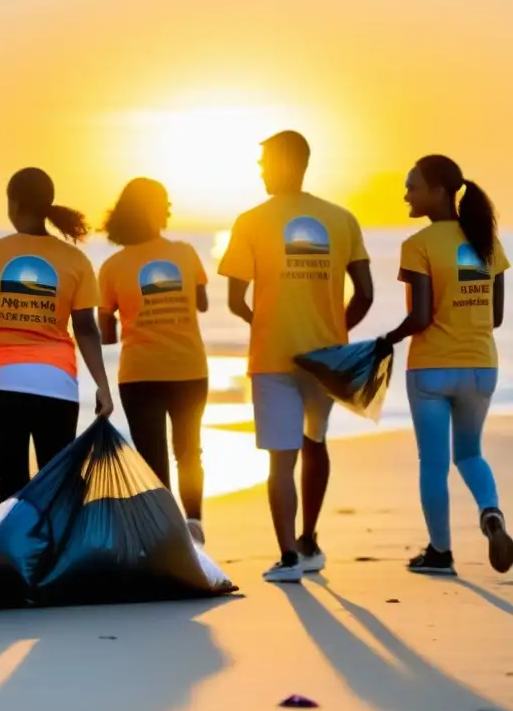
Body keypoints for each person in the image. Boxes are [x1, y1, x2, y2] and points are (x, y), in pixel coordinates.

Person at [218, 130, 374, 583]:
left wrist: (266, 325)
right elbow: (365, 293)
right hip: (326, 360)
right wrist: (337, 334)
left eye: (264, 162)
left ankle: (288, 557)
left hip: (272, 359)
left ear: (286, 163)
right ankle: (309, 540)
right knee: (315, 442)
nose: (261, 170)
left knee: (280, 460)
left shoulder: (250, 221)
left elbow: (234, 299)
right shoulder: (341, 219)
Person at [384, 155, 513, 576]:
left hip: (431, 371)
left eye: (413, 185)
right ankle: (491, 515)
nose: (406, 193)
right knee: (471, 454)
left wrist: (386, 339)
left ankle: (440, 552)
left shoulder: (418, 244)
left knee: (434, 464)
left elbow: (420, 318)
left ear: (438, 190)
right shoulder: (488, 242)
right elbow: (495, 316)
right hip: (480, 367)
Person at [0, 168, 114, 504]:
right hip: (55, 383)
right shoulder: (75, 260)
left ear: (12, 204)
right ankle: (54, 555)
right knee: (56, 484)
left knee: (10, 483)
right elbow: (86, 328)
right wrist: (102, 385)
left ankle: (17, 555)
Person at [97, 178, 209, 544]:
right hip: (189, 368)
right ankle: (194, 521)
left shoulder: (113, 266)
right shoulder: (186, 254)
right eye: (165, 203)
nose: (169, 208)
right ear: (156, 210)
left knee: (152, 456)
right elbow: (202, 303)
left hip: (140, 373)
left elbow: (106, 332)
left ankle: (165, 534)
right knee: (189, 451)